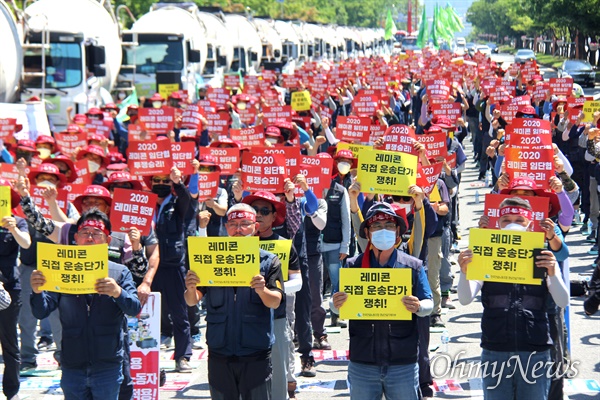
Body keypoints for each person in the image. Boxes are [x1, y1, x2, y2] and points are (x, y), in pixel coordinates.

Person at [458, 197, 569, 400]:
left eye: (519, 220)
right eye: (506, 220)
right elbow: (465, 298)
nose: (513, 224)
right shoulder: (486, 255)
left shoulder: (542, 256)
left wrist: (553, 273)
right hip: (496, 350)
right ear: (497, 225)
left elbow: (562, 301)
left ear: (530, 225)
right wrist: (464, 272)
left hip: (535, 351)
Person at [30, 210, 141, 400]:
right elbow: (41, 311)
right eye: (85, 232)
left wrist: (117, 292)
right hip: (73, 365)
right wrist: (37, 291)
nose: (90, 238)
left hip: (108, 365)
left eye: (97, 233)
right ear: (75, 238)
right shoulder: (61, 269)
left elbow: (134, 308)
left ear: (108, 240)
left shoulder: (120, 272)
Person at [332, 202, 433, 400]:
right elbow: (335, 308)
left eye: (388, 225)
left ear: (397, 233)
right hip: (363, 363)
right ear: (368, 233)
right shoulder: (353, 266)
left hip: (402, 362)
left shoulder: (412, 266)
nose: (383, 230)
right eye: (376, 226)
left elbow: (428, 304)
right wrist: (335, 304)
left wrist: (419, 306)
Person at [184, 203, 284, 400]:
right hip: (220, 353)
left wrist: (262, 290)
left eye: (245, 224)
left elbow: (275, 301)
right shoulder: (211, 258)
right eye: (233, 224)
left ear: (255, 227)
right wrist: (190, 288)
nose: (238, 229)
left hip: (255, 354)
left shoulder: (270, 261)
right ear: (226, 227)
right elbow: (191, 301)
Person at [0, 179, 31, 400]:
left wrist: (12, 227)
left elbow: (26, 243)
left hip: (10, 287)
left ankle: (12, 390)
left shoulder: (18, 222)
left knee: (10, 341)